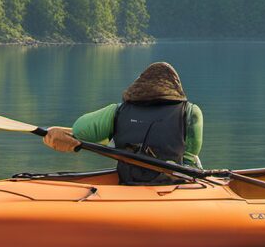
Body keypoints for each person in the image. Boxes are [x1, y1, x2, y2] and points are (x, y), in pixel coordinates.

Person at [43, 62, 203, 184]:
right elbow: (190, 157)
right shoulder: (190, 112)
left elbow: (79, 129)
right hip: (173, 185)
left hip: (128, 182)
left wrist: (72, 134)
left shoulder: (117, 112)